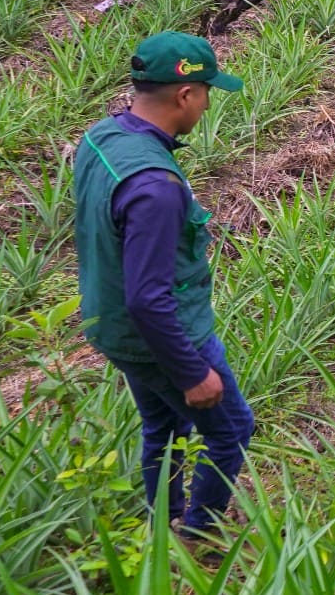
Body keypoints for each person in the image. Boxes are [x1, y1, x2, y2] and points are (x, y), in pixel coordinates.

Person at [73, 31, 255, 540]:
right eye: (207, 92)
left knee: (164, 426)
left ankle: (162, 521)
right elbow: (149, 300)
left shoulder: (102, 138)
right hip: (164, 337)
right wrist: (192, 372)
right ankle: (198, 535)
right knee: (231, 430)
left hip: (111, 324)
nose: (207, 104)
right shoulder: (156, 188)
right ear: (185, 94)